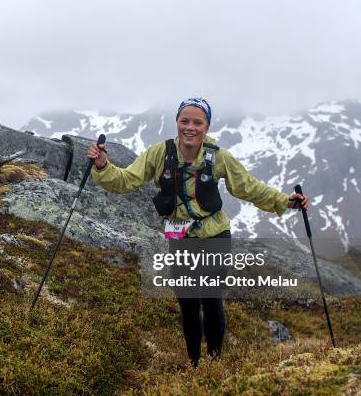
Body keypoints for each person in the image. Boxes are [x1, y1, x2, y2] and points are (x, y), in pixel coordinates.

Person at [87, 97, 308, 367]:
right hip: (179, 238)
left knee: (211, 299)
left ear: (207, 126)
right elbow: (126, 180)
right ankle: (195, 364)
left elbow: (248, 187)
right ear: (177, 123)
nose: (190, 127)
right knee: (188, 304)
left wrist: (285, 201)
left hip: (215, 235)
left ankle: (214, 364)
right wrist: (102, 165)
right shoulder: (160, 153)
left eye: (197, 122)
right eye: (184, 121)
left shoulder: (218, 157)